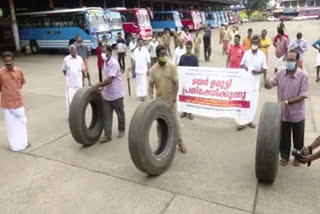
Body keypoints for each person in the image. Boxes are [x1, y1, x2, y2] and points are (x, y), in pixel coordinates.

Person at [264, 50, 309, 166]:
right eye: (288, 59)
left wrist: (287, 101)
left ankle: (298, 157)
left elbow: (303, 95)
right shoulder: (280, 73)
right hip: (283, 113)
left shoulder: (303, 76)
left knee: (298, 137)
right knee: (284, 137)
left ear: (297, 61)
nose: (289, 62)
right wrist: (266, 82)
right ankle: (285, 156)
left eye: (292, 60)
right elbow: (271, 83)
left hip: (297, 114)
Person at [149, 45, 187, 154]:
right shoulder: (153, 69)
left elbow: (176, 84)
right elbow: (150, 84)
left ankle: (180, 143)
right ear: (157, 56)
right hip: (159, 102)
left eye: (165, 54)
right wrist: (151, 95)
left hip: (171, 101)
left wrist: (174, 99)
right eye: (162, 54)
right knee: (160, 125)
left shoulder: (172, 66)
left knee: (175, 122)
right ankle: (162, 145)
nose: (164, 56)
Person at [91, 46, 125, 143]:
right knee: (107, 115)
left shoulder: (114, 63)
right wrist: (102, 87)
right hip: (107, 94)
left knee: (120, 113)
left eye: (104, 52)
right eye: (102, 52)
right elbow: (106, 77)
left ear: (110, 52)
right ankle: (107, 135)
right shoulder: (105, 63)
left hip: (116, 94)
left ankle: (121, 129)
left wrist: (97, 85)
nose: (102, 54)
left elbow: (110, 79)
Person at [0, 51, 30, 151]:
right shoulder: (0, 73)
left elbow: (21, 83)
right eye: (6, 61)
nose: (8, 63)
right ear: (3, 61)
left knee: (21, 123)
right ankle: (15, 146)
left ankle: (24, 142)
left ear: (13, 60)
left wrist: (15, 91)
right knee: (11, 127)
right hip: (7, 104)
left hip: (18, 102)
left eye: (10, 60)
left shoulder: (19, 71)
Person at [238, 35, 267, 131]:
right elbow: (241, 64)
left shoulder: (262, 55)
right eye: (253, 43)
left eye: (256, 43)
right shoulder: (246, 53)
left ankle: (249, 121)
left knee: (252, 102)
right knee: (243, 102)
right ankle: (242, 122)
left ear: (259, 44)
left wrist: (258, 72)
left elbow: (264, 69)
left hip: (254, 83)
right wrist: (244, 67)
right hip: (245, 82)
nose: (254, 44)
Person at [62, 45, 86, 115]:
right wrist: (69, 77)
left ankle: (78, 115)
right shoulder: (66, 59)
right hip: (70, 84)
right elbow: (64, 70)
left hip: (79, 84)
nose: (74, 51)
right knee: (71, 101)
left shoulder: (80, 59)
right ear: (70, 51)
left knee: (79, 100)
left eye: (75, 50)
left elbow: (83, 70)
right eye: (73, 50)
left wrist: (83, 82)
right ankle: (71, 115)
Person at [179, 41, 199, 120]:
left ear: (191, 48)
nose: (188, 49)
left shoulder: (194, 58)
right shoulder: (182, 57)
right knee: (184, 96)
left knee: (190, 97)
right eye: (186, 47)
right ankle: (184, 111)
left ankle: (190, 112)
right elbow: (179, 68)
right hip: (183, 81)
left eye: (189, 48)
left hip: (191, 82)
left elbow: (197, 70)